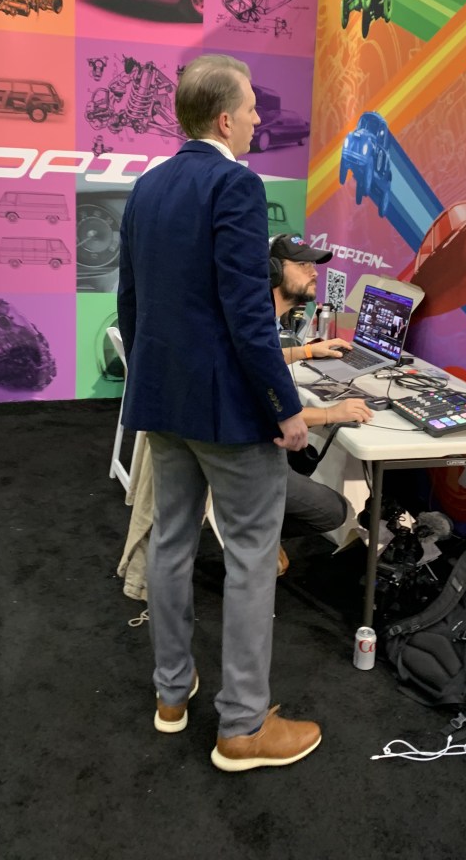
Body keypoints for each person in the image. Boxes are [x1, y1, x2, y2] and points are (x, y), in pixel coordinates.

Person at [117, 53, 321, 772]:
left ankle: (172, 695)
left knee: (172, 542)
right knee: (252, 557)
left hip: (162, 402)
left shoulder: (147, 187)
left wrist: (150, 385)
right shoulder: (237, 184)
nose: (261, 119)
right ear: (226, 118)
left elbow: (131, 305)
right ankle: (242, 727)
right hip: (230, 415)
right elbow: (248, 312)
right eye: (254, 109)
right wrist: (285, 407)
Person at [269, 233, 373, 574]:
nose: (314, 273)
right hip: (248, 457)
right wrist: (331, 413)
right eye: (302, 265)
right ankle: (254, 533)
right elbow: (265, 412)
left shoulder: (259, 319)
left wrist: (307, 351)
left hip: (241, 447)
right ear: (272, 270)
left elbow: (264, 359)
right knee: (334, 511)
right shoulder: (254, 324)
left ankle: (253, 527)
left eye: (313, 265)